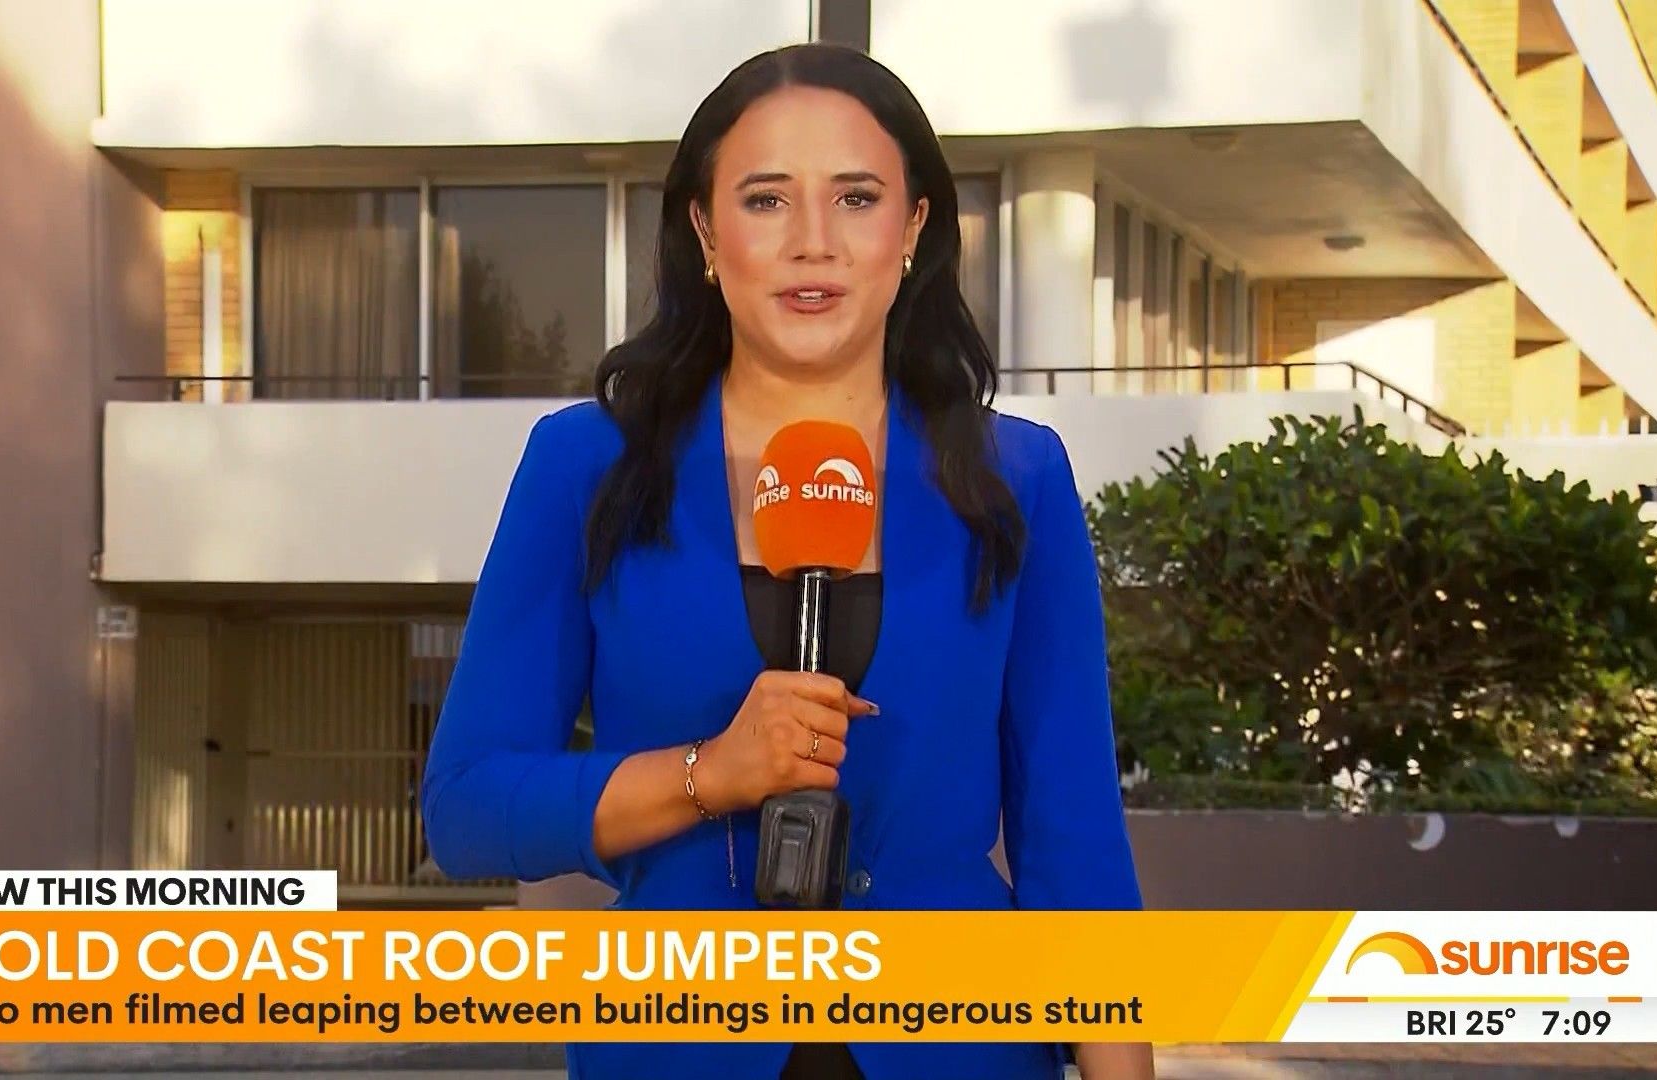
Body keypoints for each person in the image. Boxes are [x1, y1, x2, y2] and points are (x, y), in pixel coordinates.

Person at [421, 42, 1152, 1080]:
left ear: (914, 229)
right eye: (766, 200)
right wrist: (705, 776)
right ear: (704, 232)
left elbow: (1075, 850)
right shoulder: (586, 467)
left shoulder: (1016, 478)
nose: (814, 242)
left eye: (857, 198)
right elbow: (466, 809)